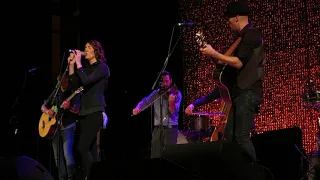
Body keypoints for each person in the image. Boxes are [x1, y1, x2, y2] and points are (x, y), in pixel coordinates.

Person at [185, 1, 266, 162]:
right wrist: (212, 54)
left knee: (242, 137)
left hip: (248, 92)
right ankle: (239, 170)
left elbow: (238, 62)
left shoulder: (251, 34)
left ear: (236, 18)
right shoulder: (241, 38)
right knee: (229, 135)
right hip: (240, 94)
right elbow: (227, 65)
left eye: (229, 20)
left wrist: (214, 52)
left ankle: (255, 173)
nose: (228, 24)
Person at [68, 40, 110, 179]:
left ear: (96, 51)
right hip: (84, 113)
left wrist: (79, 62)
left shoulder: (103, 68)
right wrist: (72, 64)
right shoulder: (85, 69)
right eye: (84, 47)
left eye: (88, 47)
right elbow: (74, 85)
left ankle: (89, 176)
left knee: (82, 147)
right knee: (92, 151)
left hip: (95, 111)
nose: (85, 49)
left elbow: (86, 81)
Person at [132, 71, 182, 159]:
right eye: (163, 81)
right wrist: (137, 108)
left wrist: (171, 102)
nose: (165, 83)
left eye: (167, 81)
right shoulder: (157, 93)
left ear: (171, 81)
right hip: (158, 128)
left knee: (169, 156)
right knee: (155, 155)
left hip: (170, 128)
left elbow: (173, 111)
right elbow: (145, 101)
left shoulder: (176, 93)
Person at [41, 74, 80, 180]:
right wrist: (47, 111)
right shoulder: (56, 92)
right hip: (55, 129)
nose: (61, 83)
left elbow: (77, 110)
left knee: (67, 154)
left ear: (67, 80)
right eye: (59, 81)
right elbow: (43, 106)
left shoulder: (74, 91)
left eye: (63, 81)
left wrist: (69, 107)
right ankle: (62, 178)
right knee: (57, 158)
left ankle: (71, 177)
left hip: (68, 126)